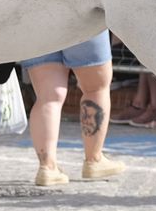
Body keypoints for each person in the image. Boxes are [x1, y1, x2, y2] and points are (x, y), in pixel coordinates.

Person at [19, 35, 128, 186]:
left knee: (48, 97)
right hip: (81, 22)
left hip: (38, 22)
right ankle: (94, 160)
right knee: (95, 88)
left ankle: (47, 168)